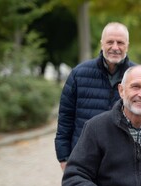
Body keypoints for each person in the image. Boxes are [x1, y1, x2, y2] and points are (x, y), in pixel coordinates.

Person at [55, 22, 136, 170]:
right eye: (110, 42)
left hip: (124, 162)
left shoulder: (138, 76)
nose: (115, 47)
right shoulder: (79, 74)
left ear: (127, 46)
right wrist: (64, 157)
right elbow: (65, 118)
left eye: (120, 43)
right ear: (102, 44)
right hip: (84, 157)